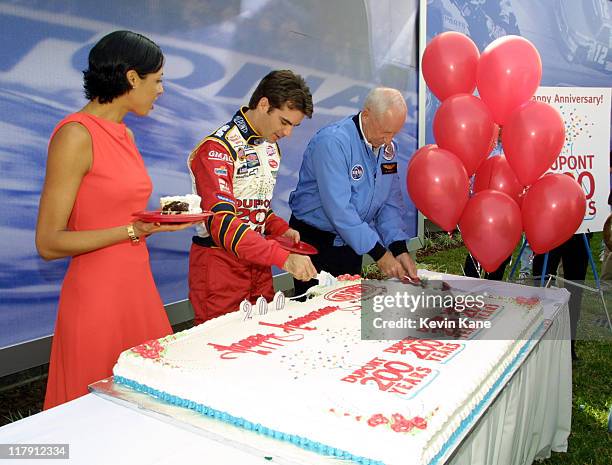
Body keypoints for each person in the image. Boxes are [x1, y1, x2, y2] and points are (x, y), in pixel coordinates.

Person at [36, 31, 195, 409]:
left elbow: (121, 212)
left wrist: (152, 225)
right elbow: (49, 242)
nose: (161, 90)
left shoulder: (124, 134)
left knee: (147, 406)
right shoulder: (75, 135)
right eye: (157, 80)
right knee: (93, 415)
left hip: (137, 287)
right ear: (131, 78)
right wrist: (132, 230)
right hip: (97, 299)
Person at [188, 70, 317, 324]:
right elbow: (222, 224)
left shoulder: (270, 147)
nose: (288, 133)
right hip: (220, 267)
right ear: (264, 104)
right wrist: (283, 257)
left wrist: (279, 228)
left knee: (260, 341)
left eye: (294, 125)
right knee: (219, 351)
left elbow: (256, 206)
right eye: (284, 122)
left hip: (259, 264)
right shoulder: (217, 148)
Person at [288, 87, 418, 296]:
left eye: (394, 133)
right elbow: (340, 210)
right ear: (366, 115)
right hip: (315, 243)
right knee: (314, 317)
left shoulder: (387, 149)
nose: (388, 140)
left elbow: (389, 203)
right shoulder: (332, 143)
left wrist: (398, 247)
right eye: (385, 131)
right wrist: (379, 254)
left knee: (348, 312)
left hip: (351, 243)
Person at [533, 233, 593, 361]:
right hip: (547, 230)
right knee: (542, 288)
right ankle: (538, 343)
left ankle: (569, 346)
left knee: (575, 290)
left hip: (579, 232)